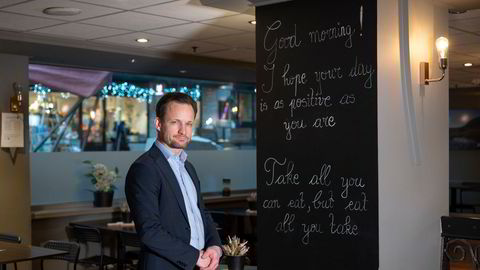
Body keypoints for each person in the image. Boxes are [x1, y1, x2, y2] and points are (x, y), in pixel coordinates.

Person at [125, 92, 222, 270]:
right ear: (158, 123)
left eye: (188, 124)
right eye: (175, 122)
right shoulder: (144, 169)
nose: (182, 131)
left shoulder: (188, 167)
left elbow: (201, 213)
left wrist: (215, 247)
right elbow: (150, 231)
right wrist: (194, 257)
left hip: (198, 264)